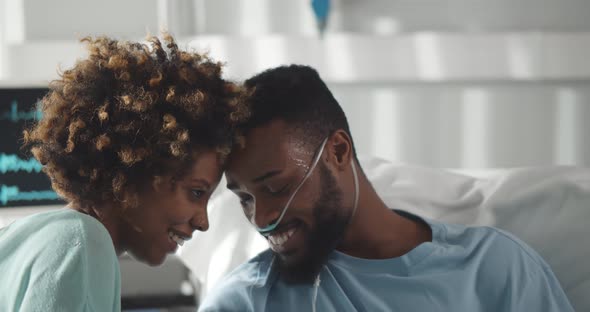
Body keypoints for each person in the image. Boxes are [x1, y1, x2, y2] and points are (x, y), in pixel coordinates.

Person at [198, 65, 574, 311]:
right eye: (245, 198)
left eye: (277, 187)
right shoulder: (244, 302)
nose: (262, 218)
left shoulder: (495, 269)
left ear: (338, 151)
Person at [0, 34, 248, 311]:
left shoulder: (27, 236)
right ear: (136, 171)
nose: (203, 222)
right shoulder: (82, 241)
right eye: (195, 192)